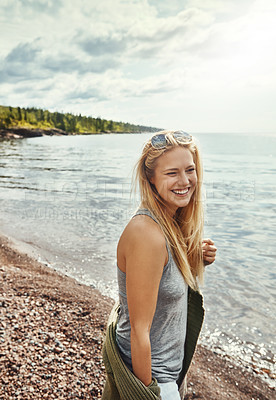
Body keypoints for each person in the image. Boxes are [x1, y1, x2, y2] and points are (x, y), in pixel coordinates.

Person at [102, 130, 217, 400]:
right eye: (172, 173)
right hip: (152, 378)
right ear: (150, 178)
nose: (185, 181)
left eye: (190, 170)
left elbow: (161, 279)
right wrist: (148, 392)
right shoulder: (146, 234)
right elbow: (139, 330)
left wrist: (193, 259)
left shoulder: (169, 225)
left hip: (169, 373)